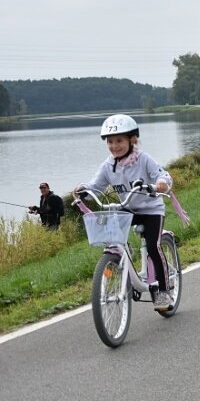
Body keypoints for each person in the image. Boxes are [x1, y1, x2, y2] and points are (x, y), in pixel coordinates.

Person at [75, 114, 175, 309]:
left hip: (151, 210)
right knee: (113, 235)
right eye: (110, 142)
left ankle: (164, 291)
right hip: (128, 210)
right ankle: (123, 257)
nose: (114, 146)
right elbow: (96, 186)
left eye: (119, 140)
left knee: (154, 247)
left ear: (132, 139)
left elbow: (162, 175)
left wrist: (161, 184)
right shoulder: (108, 166)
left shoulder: (143, 159)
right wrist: (83, 190)